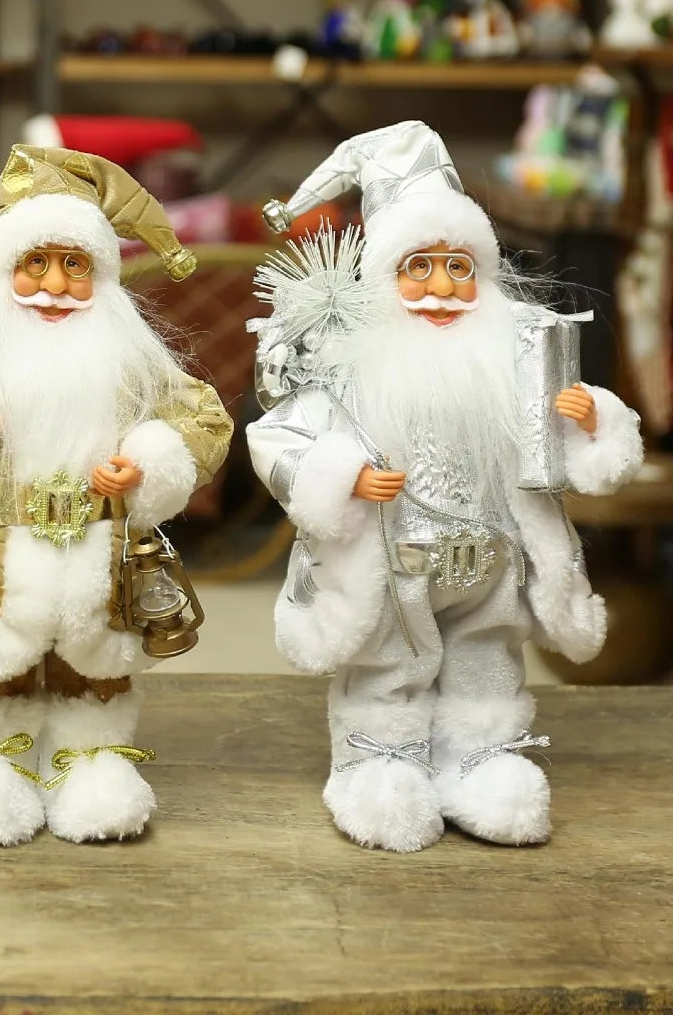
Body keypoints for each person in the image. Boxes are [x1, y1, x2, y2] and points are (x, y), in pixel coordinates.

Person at [248, 121, 644, 853]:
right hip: (395, 562)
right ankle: (377, 761)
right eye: (419, 267)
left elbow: (565, 448)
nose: (441, 288)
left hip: (493, 558)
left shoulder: (516, 355)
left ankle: (481, 757)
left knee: (487, 656)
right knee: (388, 662)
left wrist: (590, 423)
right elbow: (277, 437)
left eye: (459, 267)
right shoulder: (349, 366)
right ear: (384, 279)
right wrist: (346, 476)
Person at [0, 145, 232, 845]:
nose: (54, 285)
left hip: (101, 554)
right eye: (36, 263)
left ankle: (88, 765)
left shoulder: (129, 362)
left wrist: (144, 464)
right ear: (5, 269)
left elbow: (200, 418)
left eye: (75, 265)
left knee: (92, 674)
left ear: (100, 275)